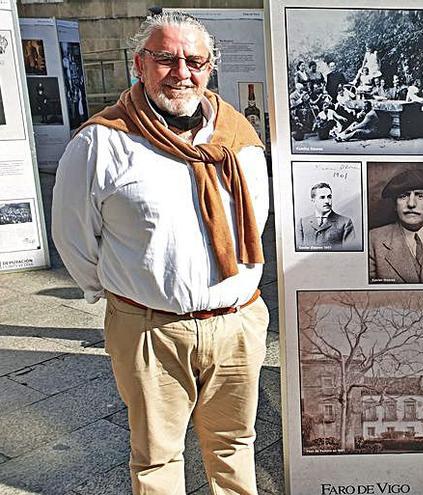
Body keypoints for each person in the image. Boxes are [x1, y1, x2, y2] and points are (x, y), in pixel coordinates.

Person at [51, 12, 270, 494]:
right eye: (165, 58)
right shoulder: (101, 141)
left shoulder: (239, 139)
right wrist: (125, 297)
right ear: (140, 64)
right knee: (156, 457)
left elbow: (257, 219)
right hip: (149, 328)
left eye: (193, 60)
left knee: (235, 444)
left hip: (236, 325)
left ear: (209, 67)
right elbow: (72, 237)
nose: (181, 72)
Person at [369, 168, 423, 284]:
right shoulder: (373, 239)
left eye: (420, 196)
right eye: (403, 196)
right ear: (394, 205)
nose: (411, 204)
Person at [296, 182, 356, 250]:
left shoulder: (345, 223)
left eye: (329, 197)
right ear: (313, 200)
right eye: (322, 197)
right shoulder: (303, 223)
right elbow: (298, 253)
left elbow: (350, 254)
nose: (327, 201)